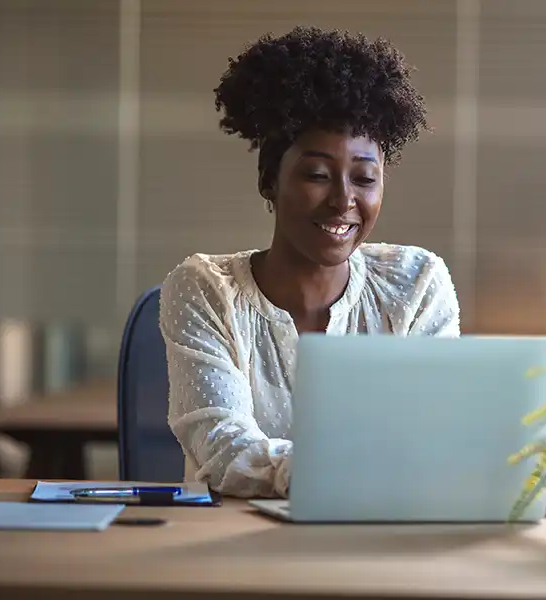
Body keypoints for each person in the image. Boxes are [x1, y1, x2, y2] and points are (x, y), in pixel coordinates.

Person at [159, 26, 461, 498]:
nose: (343, 200)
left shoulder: (415, 284)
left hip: (379, 541)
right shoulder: (205, 289)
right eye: (317, 175)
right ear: (269, 181)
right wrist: (339, 475)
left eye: (364, 178)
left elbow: (438, 438)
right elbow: (221, 446)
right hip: (232, 548)